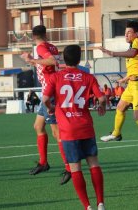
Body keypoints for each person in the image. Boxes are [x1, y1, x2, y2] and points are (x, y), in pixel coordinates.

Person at [43, 45, 106, 210]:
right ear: (79, 59)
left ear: (64, 59)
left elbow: (44, 99)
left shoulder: (56, 77)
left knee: (75, 167)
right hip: (85, 126)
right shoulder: (88, 77)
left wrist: (50, 108)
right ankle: (100, 203)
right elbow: (102, 98)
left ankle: (87, 206)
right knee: (94, 164)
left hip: (68, 129)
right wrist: (102, 107)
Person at [21, 25, 71, 185]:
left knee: (57, 132)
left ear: (32, 36)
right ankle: (44, 163)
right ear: (45, 34)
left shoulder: (41, 47)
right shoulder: (51, 46)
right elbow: (50, 64)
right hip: (49, 90)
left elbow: (51, 60)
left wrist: (31, 60)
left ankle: (69, 168)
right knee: (38, 126)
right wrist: (34, 60)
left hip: (51, 92)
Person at [99, 21, 138, 148]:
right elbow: (134, 68)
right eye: (125, 33)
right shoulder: (132, 46)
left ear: (136, 34)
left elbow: (133, 54)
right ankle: (116, 133)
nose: (126, 35)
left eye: (129, 33)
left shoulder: (137, 42)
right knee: (120, 107)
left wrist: (112, 53)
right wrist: (124, 80)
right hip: (131, 85)